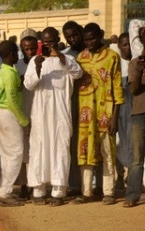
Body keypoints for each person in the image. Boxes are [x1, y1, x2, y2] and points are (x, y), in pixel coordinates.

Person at [24, 27, 83, 205]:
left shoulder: (68, 59)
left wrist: (60, 56)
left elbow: (78, 73)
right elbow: (29, 84)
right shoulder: (35, 59)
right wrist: (37, 67)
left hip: (60, 112)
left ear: (58, 41)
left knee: (60, 147)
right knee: (39, 148)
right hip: (41, 113)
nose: (48, 45)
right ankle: (39, 190)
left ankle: (58, 192)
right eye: (45, 42)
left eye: (51, 42)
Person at [72, 23, 124, 205]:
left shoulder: (112, 57)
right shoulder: (81, 58)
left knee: (107, 152)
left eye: (92, 38)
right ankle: (87, 192)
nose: (90, 42)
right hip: (85, 114)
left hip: (106, 113)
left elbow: (118, 89)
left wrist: (115, 117)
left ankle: (108, 191)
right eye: (86, 40)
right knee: (85, 151)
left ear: (101, 35)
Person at [0, 41, 30, 207]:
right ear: (11, 55)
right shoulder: (9, 74)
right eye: (16, 52)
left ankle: (4, 190)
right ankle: (5, 192)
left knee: (6, 154)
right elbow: (12, 99)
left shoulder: (4, 71)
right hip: (9, 114)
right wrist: (23, 120)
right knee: (15, 153)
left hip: (0, 112)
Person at [62, 21, 87, 195]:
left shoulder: (93, 51)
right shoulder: (65, 56)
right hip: (72, 104)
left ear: (81, 32)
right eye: (68, 37)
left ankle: (96, 185)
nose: (72, 39)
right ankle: (74, 185)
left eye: (75, 35)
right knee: (71, 145)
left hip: (93, 104)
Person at [123, 25, 145, 208]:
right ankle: (132, 196)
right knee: (137, 158)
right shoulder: (135, 63)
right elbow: (134, 90)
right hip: (139, 113)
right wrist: (138, 71)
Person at [15, 34, 39, 199]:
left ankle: (35, 183)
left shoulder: (41, 62)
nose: (30, 51)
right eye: (26, 49)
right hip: (22, 112)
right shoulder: (16, 65)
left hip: (38, 112)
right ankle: (24, 184)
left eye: (32, 48)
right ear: (22, 49)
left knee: (36, 149)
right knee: (23, 150)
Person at [116, 32, 133, 192]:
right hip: (119, 110)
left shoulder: (137, 61)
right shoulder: (116, 63)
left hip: (135, 109)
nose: (128, 48)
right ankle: (119, 176)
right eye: (125, 45)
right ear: (119, 46)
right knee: (118, 143)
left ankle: (133, 177)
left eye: (130, 44)